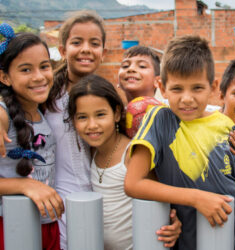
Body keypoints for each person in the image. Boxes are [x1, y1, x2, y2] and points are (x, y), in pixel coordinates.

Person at [124, 35, 235, 250]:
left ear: (213, 87)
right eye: (176, 89)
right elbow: (133, 183)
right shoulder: (159, 119)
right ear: (161, 88)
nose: (187, 98)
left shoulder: (224, 124)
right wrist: (196, 198)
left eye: (197, 88)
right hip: (194, 239)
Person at [66, 74, 181, 250]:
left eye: (100, 115)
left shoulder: (131, 154)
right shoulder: (90, 151)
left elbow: (159, 198)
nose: (92, 125)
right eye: (82, 117)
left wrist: (173, 220)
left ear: (117, 112)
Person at [42, 11, 107, 248]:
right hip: (55, 206)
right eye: (77, 42)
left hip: (103, 203)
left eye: (94, 43)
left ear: (104, 52)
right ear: (62, 50)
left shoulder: (108, 98)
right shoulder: (46, 96)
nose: (86, 49)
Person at [0, 25, 64, 250]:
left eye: (44, 66)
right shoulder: (4, 115)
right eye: (26, 69)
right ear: (5, 77)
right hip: (10, 227)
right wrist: (25, 184)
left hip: (47, 225)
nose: (39, 77)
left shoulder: (41, 112)